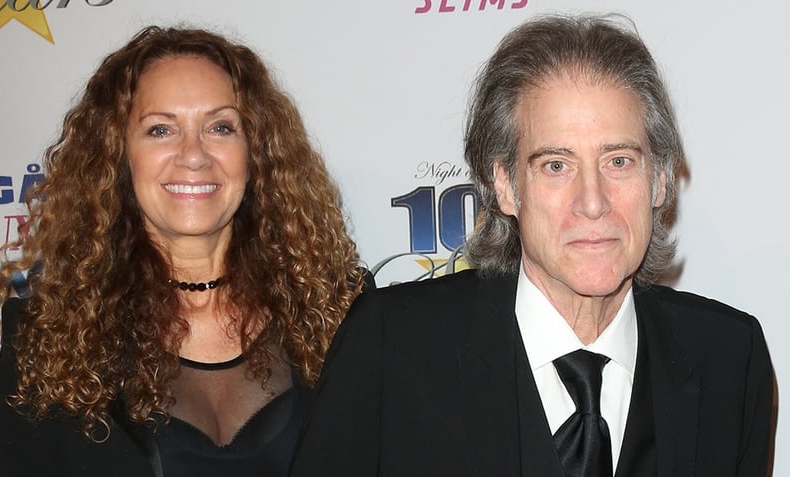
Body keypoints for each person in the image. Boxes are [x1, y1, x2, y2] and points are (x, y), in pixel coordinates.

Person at [290, 14, 775, 477]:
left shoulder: (730, 358)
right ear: (504, 185)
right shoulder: (391, 347)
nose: (592, 202)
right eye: (556, 166)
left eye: (620, 161)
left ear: (662, 180)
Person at [0, 25, 365, 477]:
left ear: (257, 151)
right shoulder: (46, 334)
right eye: (161, 129)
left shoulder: (340, 311)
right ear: (118, 153)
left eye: (221, 127)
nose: (194, 154)